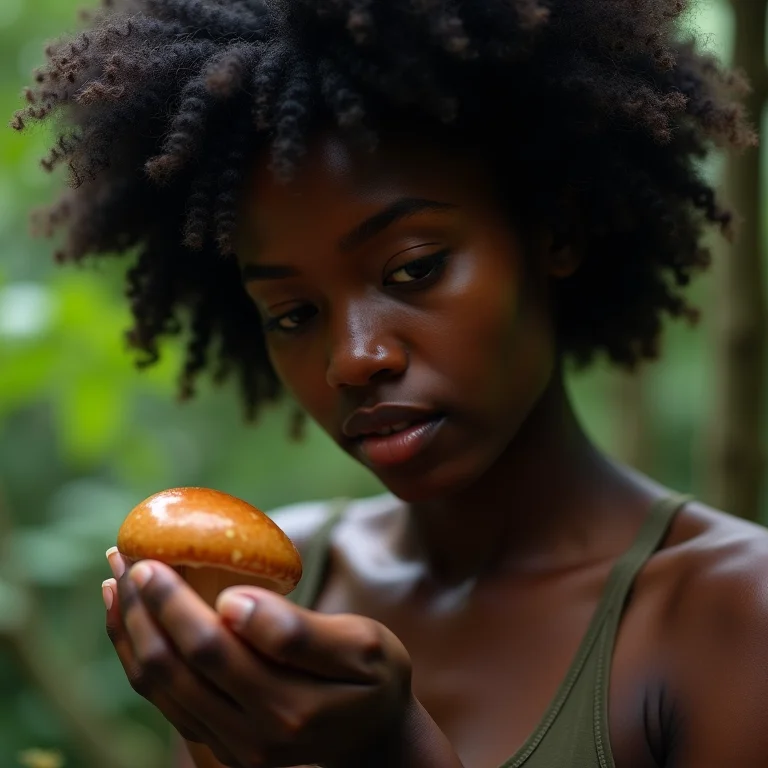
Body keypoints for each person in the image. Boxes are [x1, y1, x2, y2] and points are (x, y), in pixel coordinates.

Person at [13, 0, 768, 766]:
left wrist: (397, 751)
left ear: (556, 230)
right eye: (293, 312)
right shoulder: (259, 591)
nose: (353, 358)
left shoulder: (736, 611)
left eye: (414, 269)